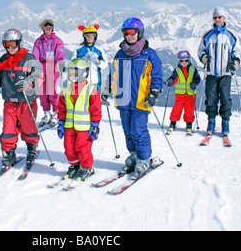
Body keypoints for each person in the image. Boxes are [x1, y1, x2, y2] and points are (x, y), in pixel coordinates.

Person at [101, 18, 163, 179]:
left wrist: (154, 92)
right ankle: (134, 154)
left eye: (132, 33)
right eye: (126, 33)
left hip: (141, 99)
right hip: (123, 99)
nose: (129, 36)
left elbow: (156, 76)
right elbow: (113, 74)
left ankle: (144, 158)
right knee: (128, 131)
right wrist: (107, 88)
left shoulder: (149, 54)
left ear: (139, 32)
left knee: (138, 129)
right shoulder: (120, 53)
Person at [0, 29, 43, 168]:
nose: (10, 48)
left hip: (26, 101)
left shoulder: (29, 58)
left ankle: (31, 149)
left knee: (28, 128)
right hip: (10, 101)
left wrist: (28, 83)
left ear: (19, 43)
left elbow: (40, 77)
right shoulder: (3, 60)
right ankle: (9, 153)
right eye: (6, 45)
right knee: (8, 130)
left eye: (12, 44)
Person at [197, 6, 241, 137]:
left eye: (219, 17)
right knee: (210, 99)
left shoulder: (231, 36)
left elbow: (237, 51)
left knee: (225, 99)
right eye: (215, 17)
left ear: (224, 18)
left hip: (226, 73)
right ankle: (211, 122)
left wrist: (236, 61)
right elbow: (201, 50)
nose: (217, 19)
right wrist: (203, 57)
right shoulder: (207, 35)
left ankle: (225, 123)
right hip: (211, 72)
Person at [57, 58, 102, 181]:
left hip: (84, 127)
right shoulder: (65, 91)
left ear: (84, 73)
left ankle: (87, 167)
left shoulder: (91, 90)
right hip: (69, 127)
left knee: (83, 148)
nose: (72, 76)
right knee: (69, 147)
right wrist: (60, 122)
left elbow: (96, 109)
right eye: (70, 73)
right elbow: (61, 108)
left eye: (76, 73)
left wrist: (95, 125)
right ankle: (75, 165)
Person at [32, 19, 66, 127]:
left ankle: (56, 113)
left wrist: (61, 63)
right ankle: (46, 113)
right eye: (46, 29)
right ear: (43, 29)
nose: (47, 31)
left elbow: (60, 53)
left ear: (52, 29)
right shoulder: (38, 41)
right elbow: (35, 52)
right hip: (41, 66)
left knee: (51, 90)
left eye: (49, 29)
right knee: (42, 91)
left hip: (52, 65)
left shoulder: (57, 41)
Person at [165, 50, 201, 135]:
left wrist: (194, 84)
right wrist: (170, 81)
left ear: (189, 60)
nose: (184, 62)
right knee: (177, 108)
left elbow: (197, 79)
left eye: (186, 60)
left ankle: (189, 124)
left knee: (190, 108)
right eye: (182, 61)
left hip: (190, 93)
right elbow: (173, 78)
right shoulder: (177, 70)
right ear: (178, 60)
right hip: (180, 94)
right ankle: (173, 122)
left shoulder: (193, 69)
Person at [74, 24, 107, 91]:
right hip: (82, 82)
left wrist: (98, 61)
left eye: (92, 35)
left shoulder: (99, 50)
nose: (90, 38)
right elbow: (72, 65)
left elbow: (105, 66)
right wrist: (83, 60)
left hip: (95, 82)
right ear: (84, 37)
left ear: (95, 36)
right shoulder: (78, 50)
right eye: (87, 36)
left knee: (94, 101)